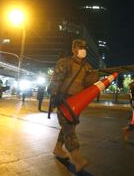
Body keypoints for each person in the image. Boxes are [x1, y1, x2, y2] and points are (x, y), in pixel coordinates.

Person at [48, 39, 98, 172]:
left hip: (77, 103)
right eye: (79, 47)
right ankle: (78, 160)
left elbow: (89, 85)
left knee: (68, 127)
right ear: (73, 49)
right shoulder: (64, 62)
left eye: (84, 47)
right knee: (69, 130)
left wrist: (94, 77)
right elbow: (55, 80)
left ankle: (58, 149)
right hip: (63, 101)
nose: (83, 49)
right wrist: (54, 95)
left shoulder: (88, 67)